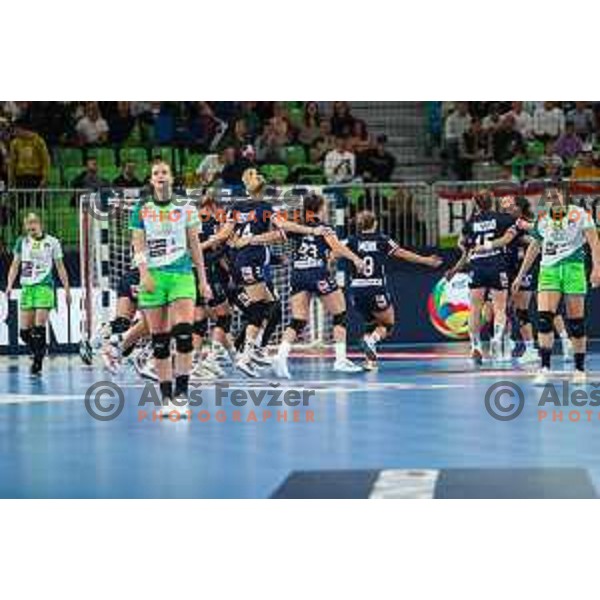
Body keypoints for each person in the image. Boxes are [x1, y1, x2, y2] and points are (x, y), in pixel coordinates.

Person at [130, 160, 212, 417]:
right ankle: (165, 398)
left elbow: (195, 245)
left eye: (164, 172)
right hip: (154, 277)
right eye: (156, 173)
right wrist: (144, 275)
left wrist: (203, 280)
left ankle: (182, 394)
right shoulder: (142, 209)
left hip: (181, 275)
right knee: (160, 341)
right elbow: (138, 246)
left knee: (184, 332)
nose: (160, 176)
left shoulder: (186, 208)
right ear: (151, 180)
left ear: (172, 178)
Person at [270, 193, 367, 378]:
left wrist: (251, 240)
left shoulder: (298, 227)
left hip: (298, 274)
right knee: (340, 314)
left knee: (298, 320)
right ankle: (340, 360)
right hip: (317, 274)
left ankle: (281, 357)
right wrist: (355, 258)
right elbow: (336, 246)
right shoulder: (324, 227)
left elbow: (275, 235)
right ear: (321, 208)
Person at [512, 187, 600, 384]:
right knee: (544, 319)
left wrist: (597, 269)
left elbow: (594, 242)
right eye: (548, 197)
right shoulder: (543, 220)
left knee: (576, 322)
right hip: (548, 270)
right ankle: (544, 368)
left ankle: (579, 369)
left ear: (565, 197)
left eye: (555, 195)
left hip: (573, 268)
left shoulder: (580, 214)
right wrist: (520, 276)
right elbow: (534, 247)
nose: (551, 199)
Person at [346, 210, 442, 370]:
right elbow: (403, 254)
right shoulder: (382, 240)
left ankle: (371, 361)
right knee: (387, 325)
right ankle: (372, 340)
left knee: (370, 323)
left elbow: (334, 252)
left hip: (356, 290)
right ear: (375, 223)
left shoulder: (351, 241)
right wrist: (426, 260)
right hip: (376, 287)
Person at [446, 192, 518, 364]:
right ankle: (497, 339)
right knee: (500, 308)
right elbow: (514, 230)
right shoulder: (502, 218)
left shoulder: (470, 223)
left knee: (475, 309)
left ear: (475, 204)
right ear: (492, 202)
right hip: (497, 264)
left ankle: (475, 346)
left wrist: (455, 268)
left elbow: (463, 245)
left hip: (477, 266)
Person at [4, 213, 71, 375]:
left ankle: (38, 362)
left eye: (33, 222)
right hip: (27, 288)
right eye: (27, 223)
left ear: (40, 223)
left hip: (44, 286)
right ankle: (38, 350)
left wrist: (67, 288)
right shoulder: (22, 242)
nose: (30, 226)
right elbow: (15, 265)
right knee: (24, 332)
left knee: (39, 326)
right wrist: (9, 285)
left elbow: (60, 267)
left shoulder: (52, 242)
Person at [8, 119, 51, 190]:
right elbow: (12, 163)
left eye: (15, 129)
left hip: (36, 177)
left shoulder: (39, 141)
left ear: (21, 128)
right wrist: (11, 180)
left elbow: (46, 161)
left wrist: (45, 178)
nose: (14, 132)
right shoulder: (14, 143)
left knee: (36, 200)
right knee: (21, 200)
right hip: (20, 177)